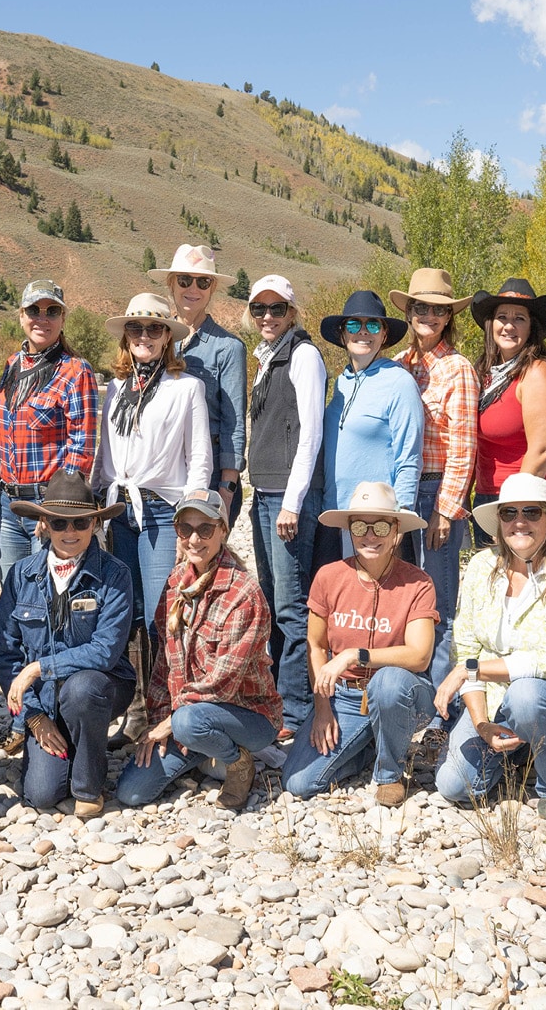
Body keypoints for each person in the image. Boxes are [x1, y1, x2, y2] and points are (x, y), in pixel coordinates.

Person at [435, 474, 546, 821]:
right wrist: (481, 723)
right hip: (496, 695)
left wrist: (470, 669)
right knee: (455, 786)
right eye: (509, 513)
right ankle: (521, 749)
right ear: (498, 522)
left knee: (527, 696)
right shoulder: (482, 566)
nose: (520, 522)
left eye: (531, 511)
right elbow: (466, 646)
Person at [116, 489, 281, 809]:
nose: (195, 539)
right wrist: (158, 721)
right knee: (131, 793)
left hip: (248, 715)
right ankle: (205, 752)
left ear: (223, 530)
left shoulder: (243, 593)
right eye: (185, 529)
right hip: (187, 716)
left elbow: (222, 682)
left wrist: (172, 723)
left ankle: (238, 762)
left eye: (205, 529)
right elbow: (165, 664)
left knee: (188, 723)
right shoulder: (176, 581)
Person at [281, 482, 436, 807]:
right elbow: (315, 644)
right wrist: (322, 708)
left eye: (380, 525)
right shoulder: (329, 576)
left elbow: (420, 656)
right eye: (360, 525)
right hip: (346, 697)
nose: (370, 535)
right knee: (297, 782)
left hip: (401, 695)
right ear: (349, 530)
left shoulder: (418, 582)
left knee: (387, 682)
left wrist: (355, 655)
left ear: (396, 531)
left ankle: (389, 774)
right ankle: (369, 749)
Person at [0, 472, 135, 818]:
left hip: (103, 686)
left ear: (95, 524)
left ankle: (88, 786)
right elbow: (4, 651)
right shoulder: (20, 575)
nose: (70, 532)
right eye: (59, 522)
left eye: (80, 522)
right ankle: (73, 740)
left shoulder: (116, 575)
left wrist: (39, 667)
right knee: (40, 794)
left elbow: (104, 651)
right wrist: (35, 717)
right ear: (43, 524)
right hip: (43, 698)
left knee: (82, 689)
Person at [388, 267, 478, 741]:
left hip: (436, 488)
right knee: (404, 598)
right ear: (409, 311)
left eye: (438, 310)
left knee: (439, 602)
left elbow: (464, 445)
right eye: (420, 307)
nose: (428, 315)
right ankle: (409, 700)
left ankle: (441, 715)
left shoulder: (457, 368)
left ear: (448, 317)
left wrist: (446, 507)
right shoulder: (399, 364)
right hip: (402, 492)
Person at [93, 292, 211, 644]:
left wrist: (189, 522)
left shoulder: (187, 388)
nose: (144, 336)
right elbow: (105, 452)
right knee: (123, 608)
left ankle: (167, 695)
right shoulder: (115, 388)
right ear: (125, 335)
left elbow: (200, 459)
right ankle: (134, 698)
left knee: (161, 610)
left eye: (154, 329)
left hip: (161, 511)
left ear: (167, 337)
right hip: (117, 508)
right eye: (135, 327)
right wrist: (95, 502)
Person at [245, 274, 327, 740]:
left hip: (289, 496)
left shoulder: (304, 355)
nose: (268, 317)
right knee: (275, 600)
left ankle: (295, 711)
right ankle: (278, 699)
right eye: (260, 309)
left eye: (277, 309)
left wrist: (293, 502)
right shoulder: (268, 358)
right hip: (267, 492)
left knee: (292, 606)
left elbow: (310, 432)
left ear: (293, 313)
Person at [0, 280, 99, 581]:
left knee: (49, 592)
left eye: (52, 311)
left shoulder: (76, 370)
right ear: (21, 316)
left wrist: (55, 509)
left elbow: (82, 446)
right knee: (14, 591)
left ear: (63, 318)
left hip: (48, 505)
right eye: (33, 310)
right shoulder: (12, 364)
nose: (42, 318)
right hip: (10, 503)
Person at [319, 290, 424, 563]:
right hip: (339, 516)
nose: (363, 332)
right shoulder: (341, 382)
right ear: (342, 335)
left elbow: (409, 457)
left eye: (373, 325)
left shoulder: (399, 383)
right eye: (353, 324)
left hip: (378, 522)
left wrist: (400, 518)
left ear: (384, 335)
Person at [149, 244, 247, 522]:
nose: (193, 288)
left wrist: (226, 491)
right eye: (184, 280)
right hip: (163, 470)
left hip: (211, 470)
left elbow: (234, 424)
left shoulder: (228, 348)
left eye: (203, 281)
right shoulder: (155, 337)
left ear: (212, 288)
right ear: (171, 284)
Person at [470, 278, 546, 545]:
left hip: (527, 505)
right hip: (490, 498)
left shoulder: (537, 372)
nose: (509, 325)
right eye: (502, 317)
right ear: (491, 324)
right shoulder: (485, 374)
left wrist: (513, 511)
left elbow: (543, 450)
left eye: (519, 318)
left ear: (531, 327)